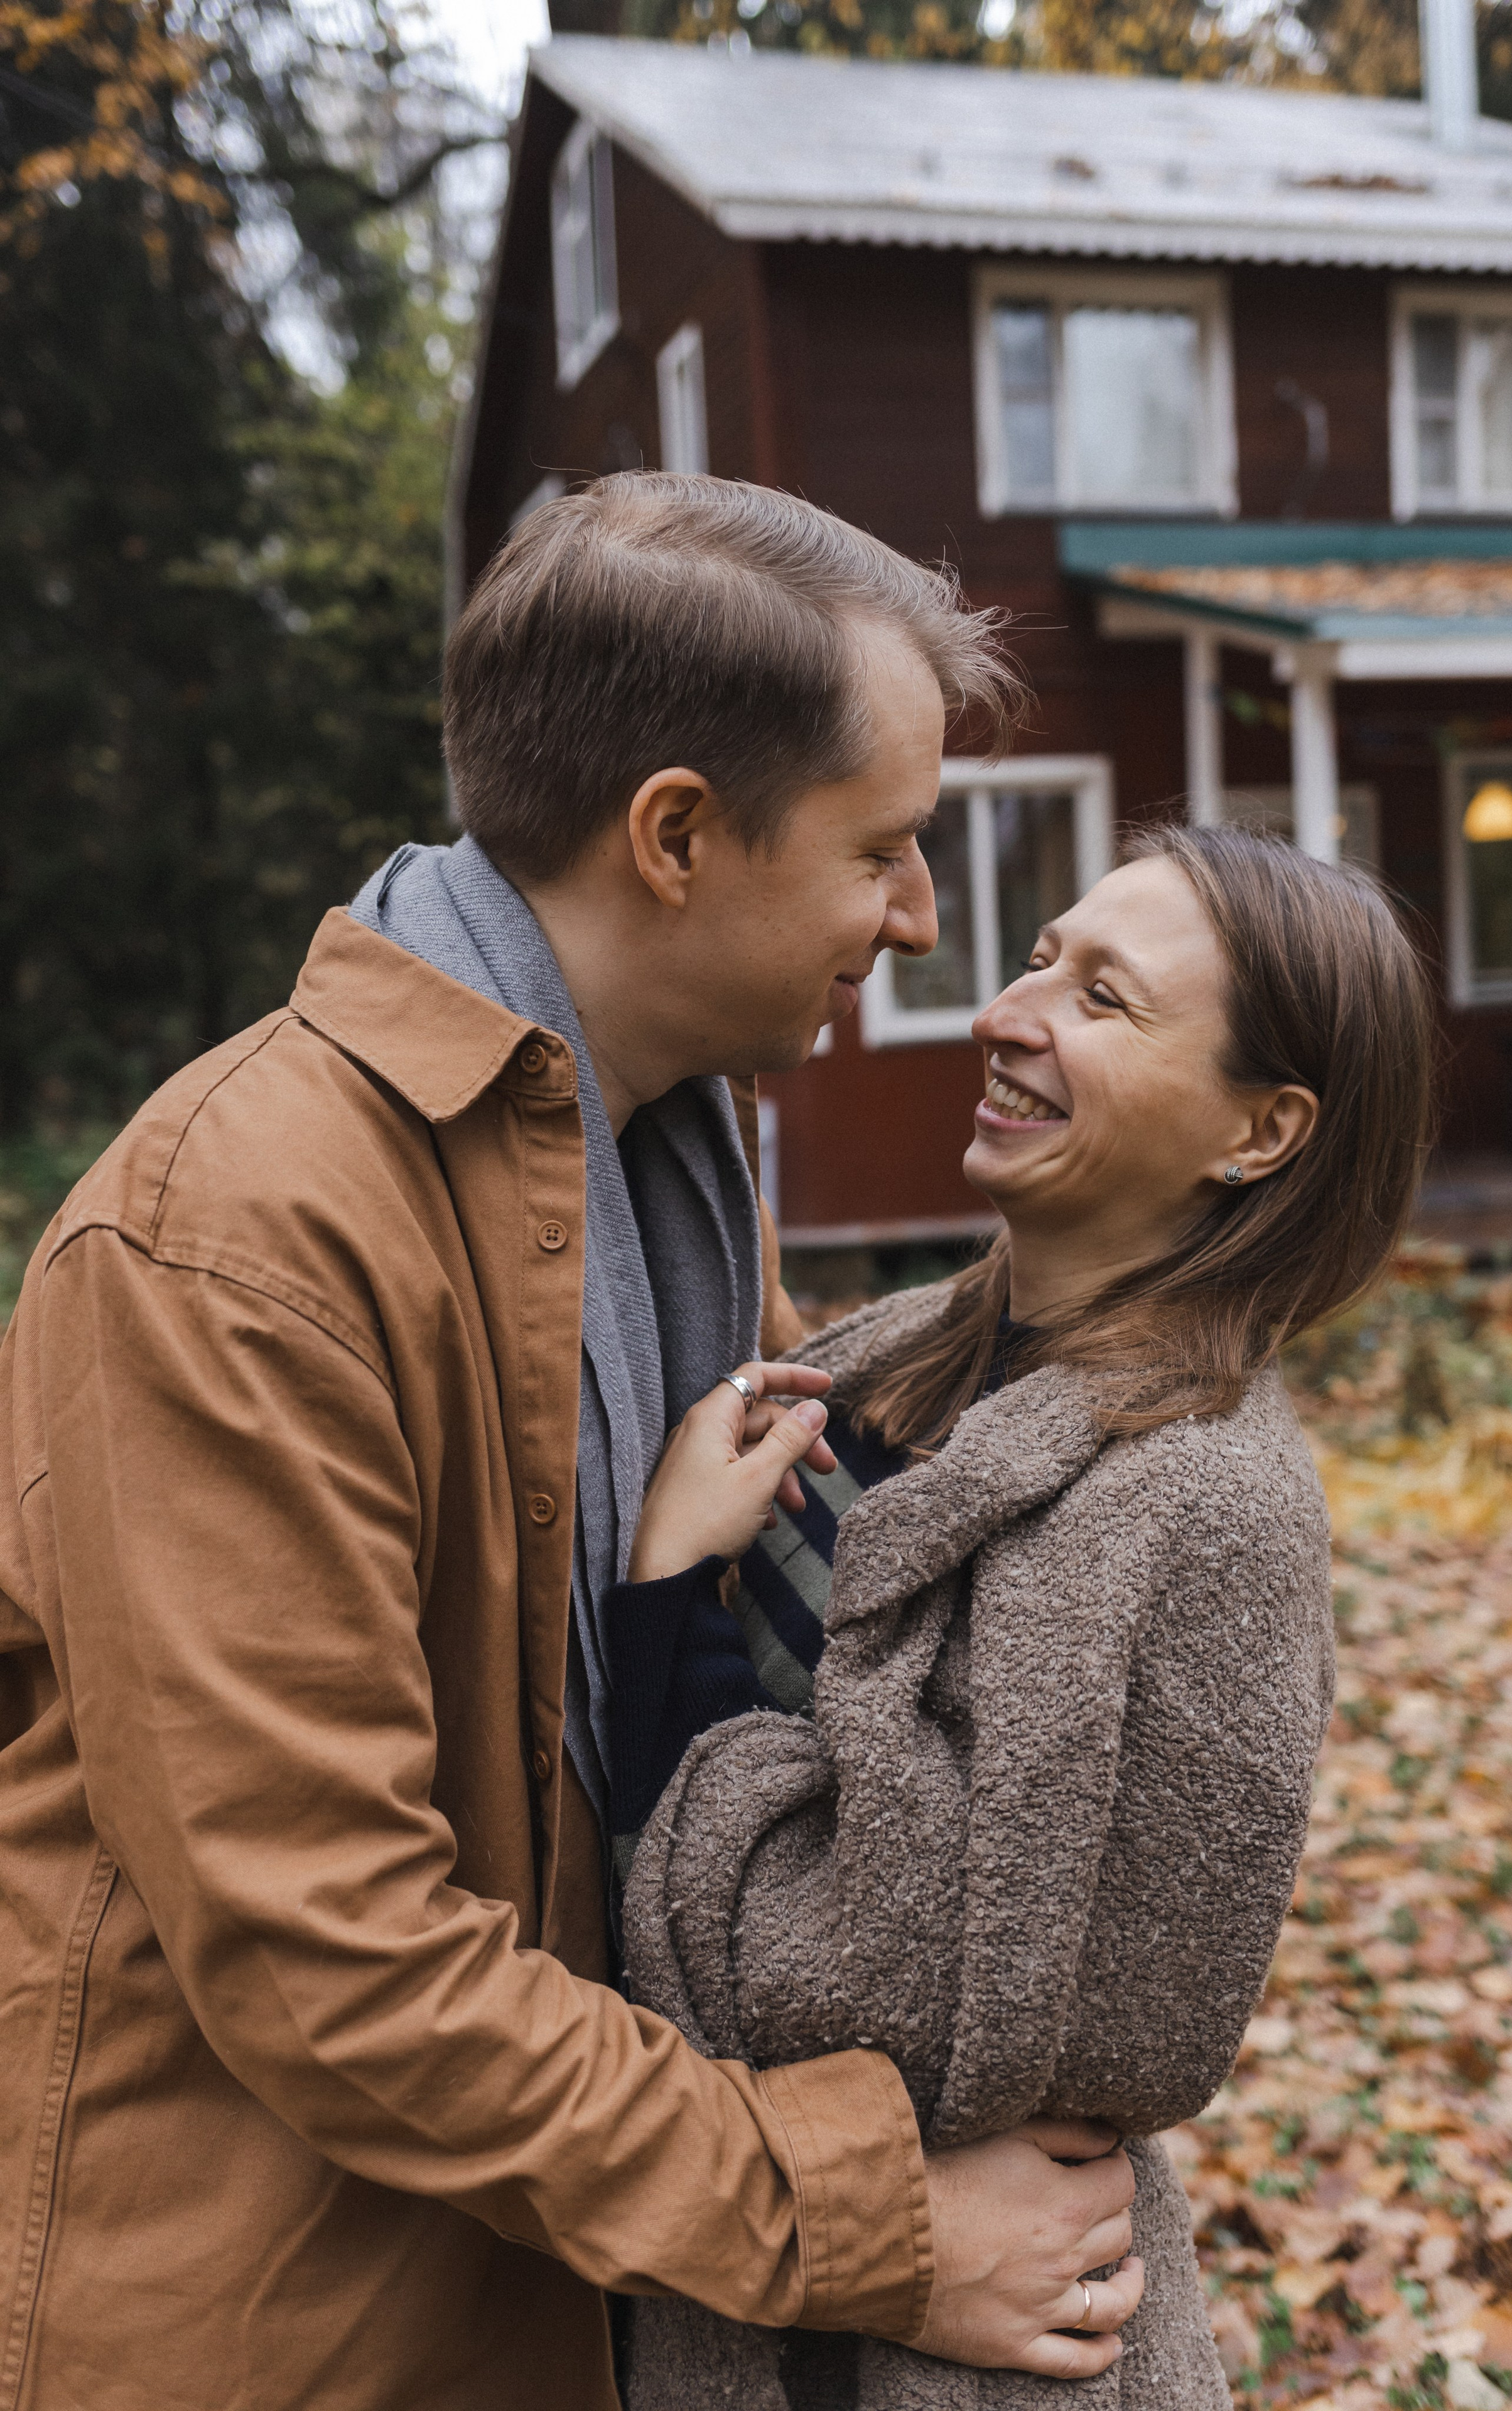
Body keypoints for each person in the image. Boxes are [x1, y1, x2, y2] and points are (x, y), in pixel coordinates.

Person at [0, 475, 1143, 2411]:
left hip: (580, 2283)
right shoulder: (234, 1241)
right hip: (286, 2333)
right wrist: (862, 2223)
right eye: (884, 847)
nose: (923, 915)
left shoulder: (663, 1160)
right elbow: (333, 1964)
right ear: (678, 835)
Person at [607, 825, 1435, 2407]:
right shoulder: (887, 1359)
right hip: (748, 2281)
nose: (1008, 1007)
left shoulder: (1205, 1513)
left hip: (972, 2351)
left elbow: (894, 1995)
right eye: (1042, 954)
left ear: (1259, 1131)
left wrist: (664, 1608)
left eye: (1103, 997)